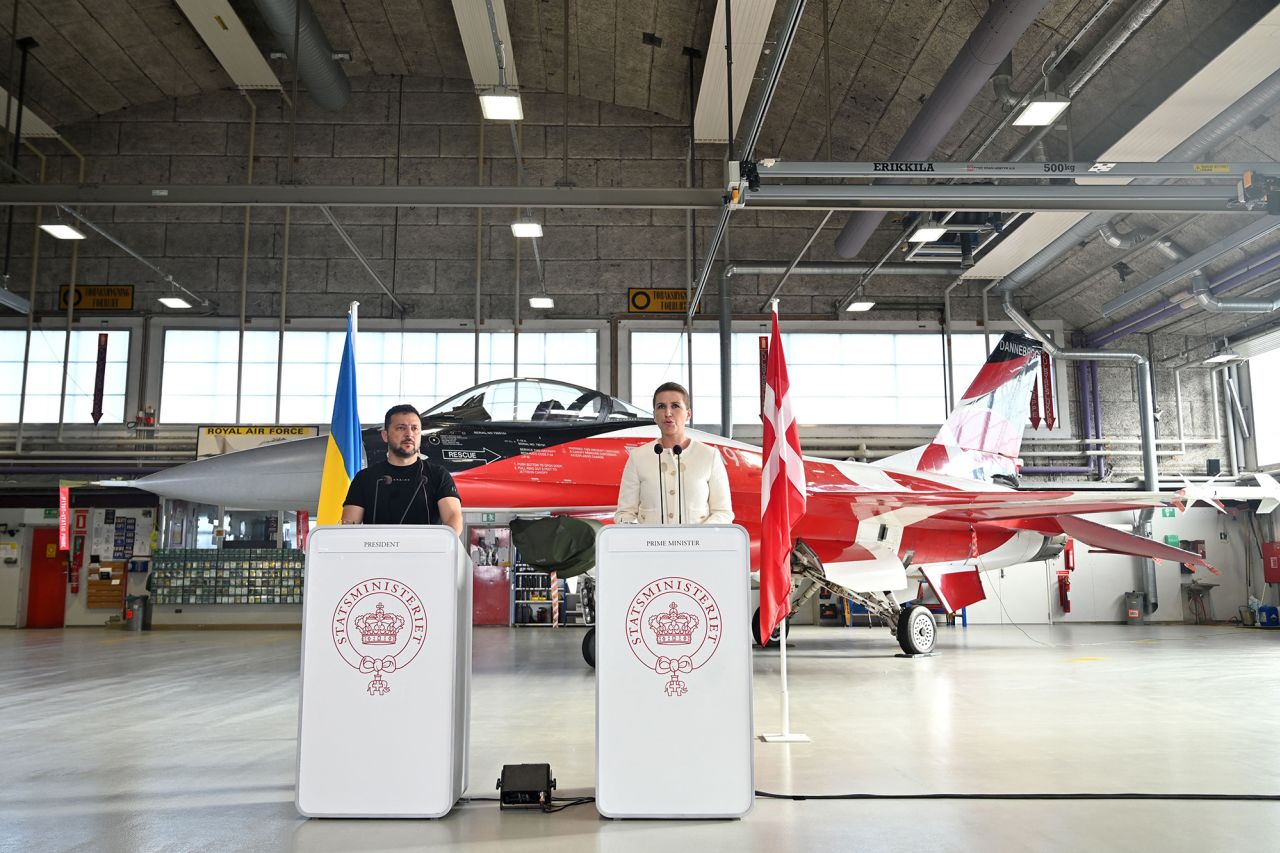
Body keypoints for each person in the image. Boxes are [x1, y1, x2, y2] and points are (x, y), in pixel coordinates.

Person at [615, 382, 733, 525]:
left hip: (697, 545)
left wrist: (702, 537)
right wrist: (642, 538)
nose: (668, 413)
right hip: (650, 545)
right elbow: (624, 513)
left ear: (688, 414)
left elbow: (723, 512)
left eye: (675, 406)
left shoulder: (709, 456)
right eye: (661, 406)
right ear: (654, 415)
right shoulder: (638, 457)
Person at [342, 404, 464, 536]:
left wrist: (444, 543)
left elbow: (453, 518)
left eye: (414, 428)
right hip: (377, 554)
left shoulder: (438, 475)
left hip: (425, 554)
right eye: (401, 428)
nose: (409, 434)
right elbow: (349, 525)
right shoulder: (365, 478)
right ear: (385, 435)